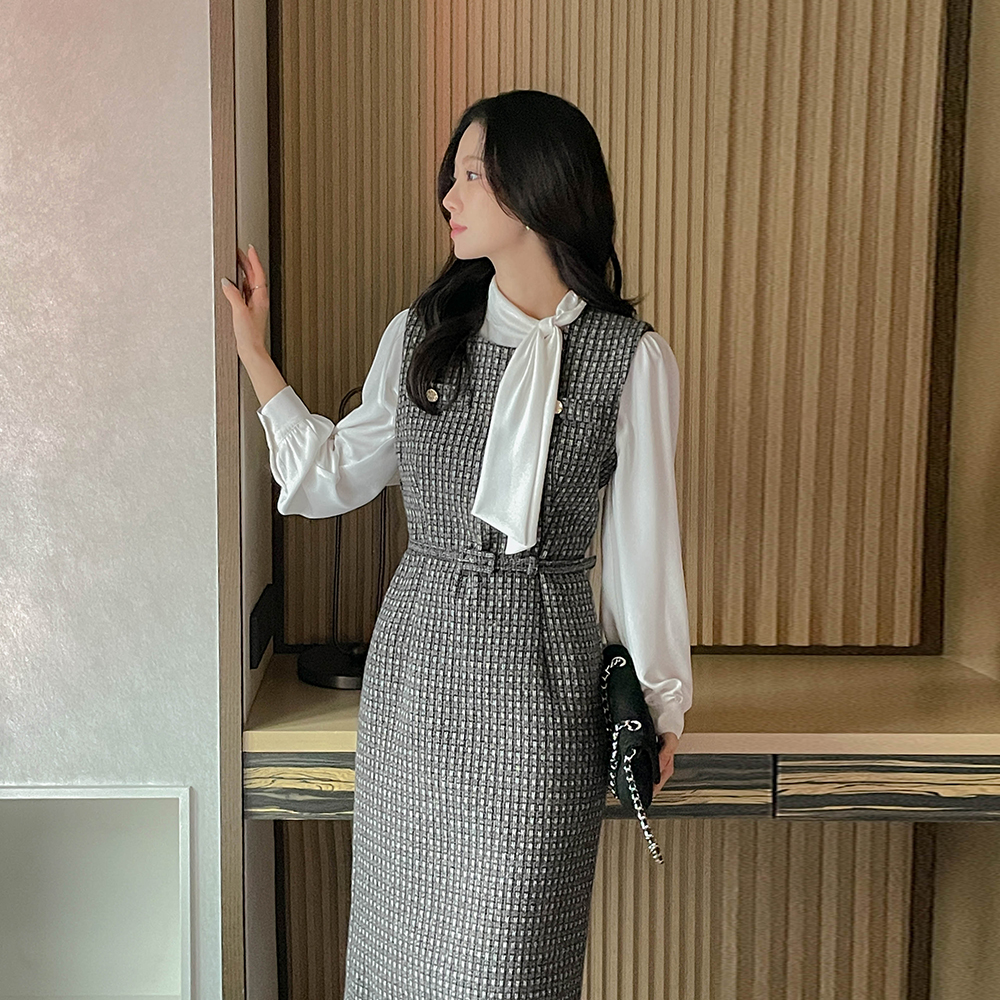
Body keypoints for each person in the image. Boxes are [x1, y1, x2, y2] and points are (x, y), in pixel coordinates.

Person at [222, 89, 692, 1000]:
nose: (449, 196)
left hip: (545, 688)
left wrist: (660, 706)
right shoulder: (421, 337)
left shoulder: (631, 359)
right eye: (454, 175)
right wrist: (255, 354)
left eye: (472, 175)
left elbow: (645, 550)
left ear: (540, 186)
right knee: (401, 957)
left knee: (512, 959)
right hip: (417, 678)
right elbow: (326, 477)